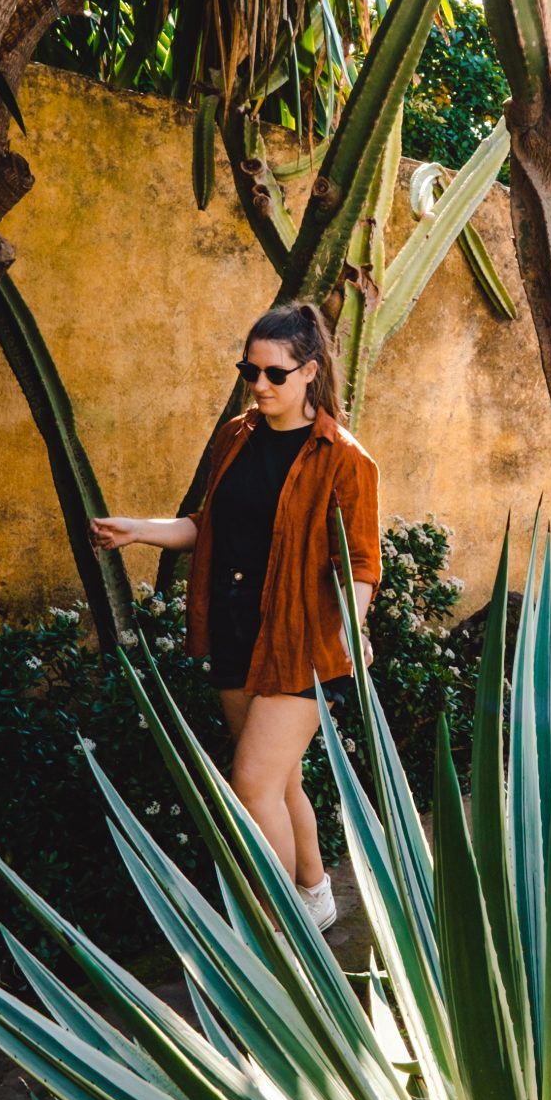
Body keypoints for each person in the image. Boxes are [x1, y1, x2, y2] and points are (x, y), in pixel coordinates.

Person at [89, 303, 379, 931]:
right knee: (281, 781)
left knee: (251, 786)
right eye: (250, 371)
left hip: (301, 640)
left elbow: (359, 565)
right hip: (236, 630)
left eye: (275, 374)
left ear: (310, 371)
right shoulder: (237, 437)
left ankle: (280, 934)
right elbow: (207, 528)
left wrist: (350, 628)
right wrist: (137, 531)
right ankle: (314, 894)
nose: (260, 385)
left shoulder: (344, 458)